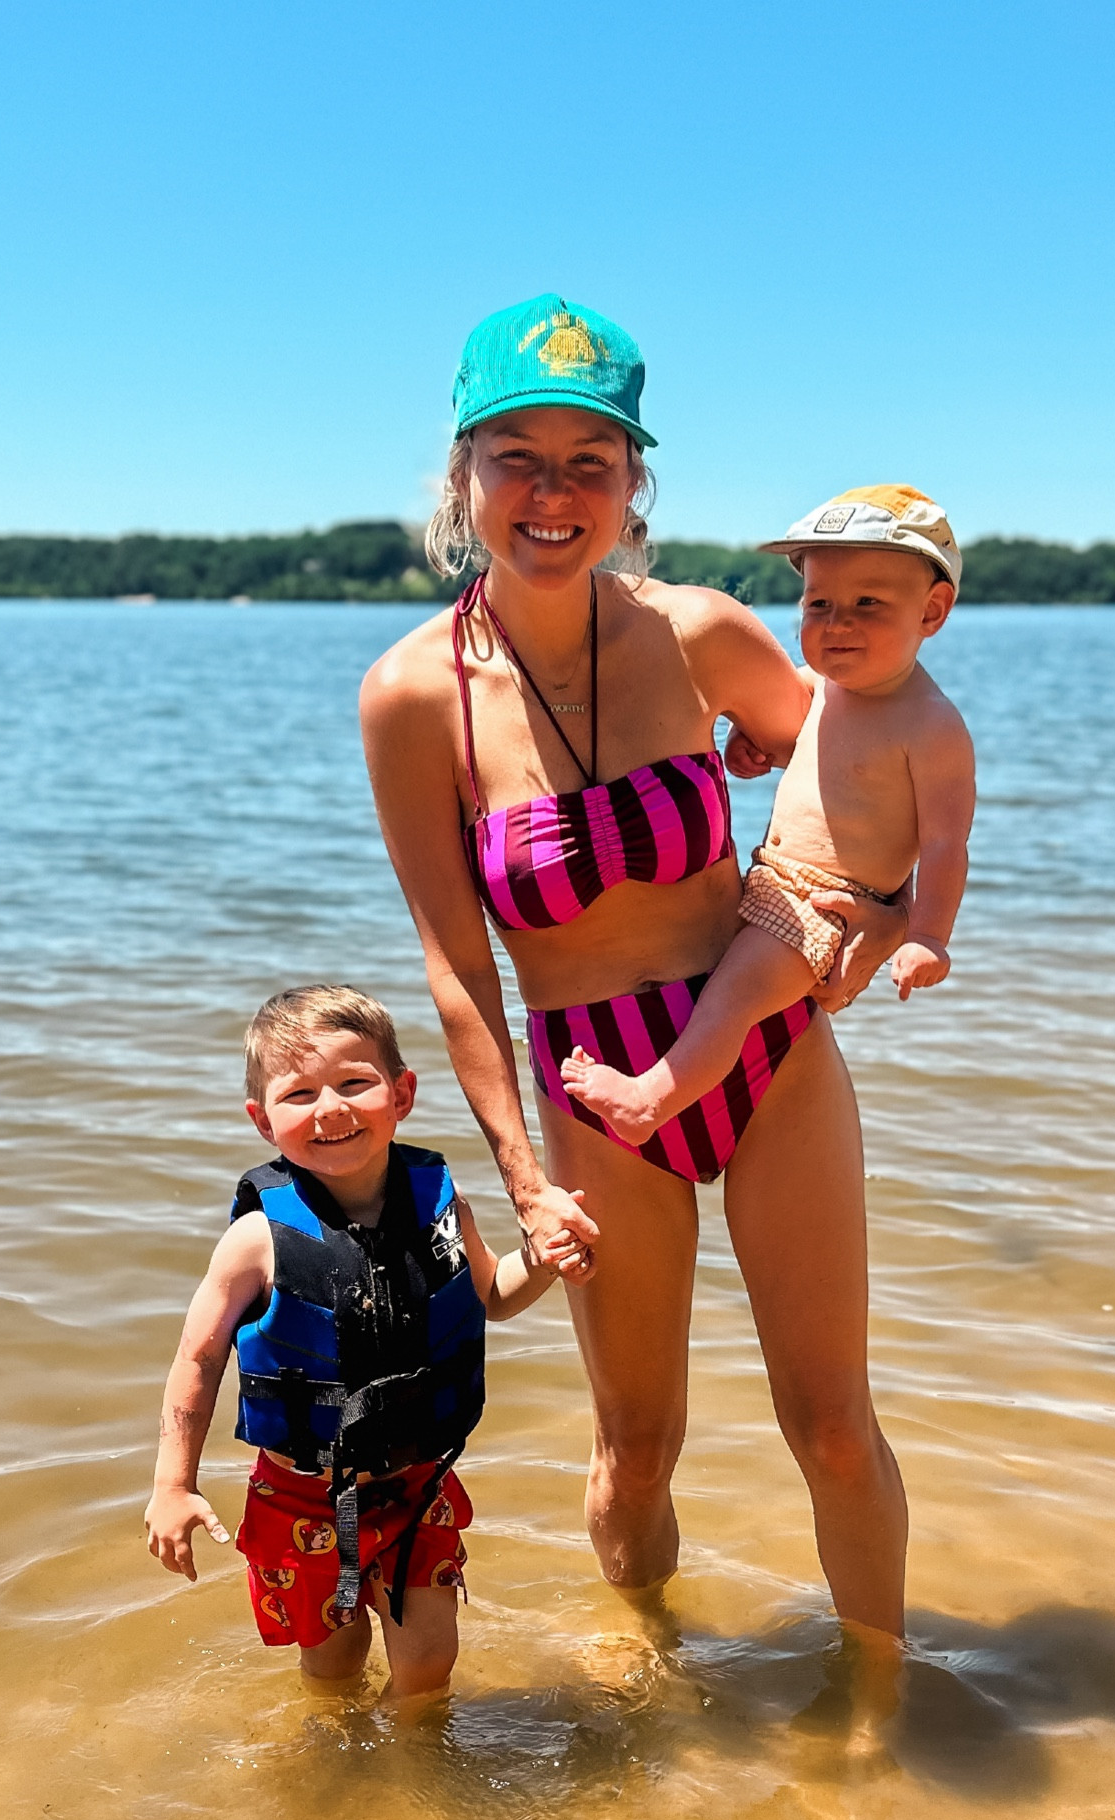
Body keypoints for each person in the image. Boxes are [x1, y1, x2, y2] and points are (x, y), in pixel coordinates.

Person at [361, 294, 913, 1655]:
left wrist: (858, 927)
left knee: (834, 1428)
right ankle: (654, 1685)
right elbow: (456, 963)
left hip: (765, 1048)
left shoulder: (703, 634)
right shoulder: (412, 695)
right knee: (637, 1449)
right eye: (520, 458)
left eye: (589, 463)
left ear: (631, 484)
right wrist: (522, 1171)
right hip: (597, 1092)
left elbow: (848, 769)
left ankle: (885, 1709)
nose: (554, 493)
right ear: (464, 473)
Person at [144, 984, 581, 1698]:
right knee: (333, 1666)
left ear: (401, 1093)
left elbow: (491, 1296)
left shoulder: (439, 1202)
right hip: (300, 1496)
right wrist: (173, 1485)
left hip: (415, 1485)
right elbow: (198, 1359)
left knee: (429, 1659)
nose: (331, 1109)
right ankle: (342, 1787)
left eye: (355, 1083)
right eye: (299, 1095)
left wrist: (543, 1261)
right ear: (262, 1121)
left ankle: (419, 1779)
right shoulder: (255, 1241)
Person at [561, 486, 975, 1146]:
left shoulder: (930, 725)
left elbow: (947, 842)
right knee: (715, 985)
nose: (837, 623)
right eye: (819, 604)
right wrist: (750, 750)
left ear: (932, 610)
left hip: (827, 906)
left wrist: (928, 936)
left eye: (868, 604)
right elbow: (804, 756)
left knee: (731, 1000)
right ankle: (688, 1093)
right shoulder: (817, 690)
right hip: (773, 882)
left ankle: (650, 1100)